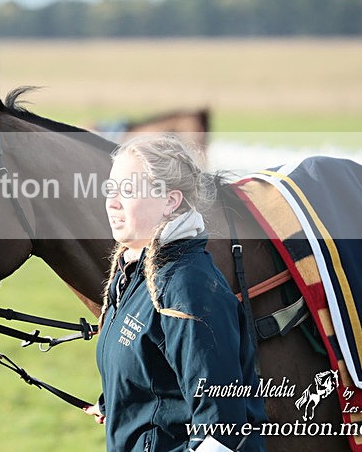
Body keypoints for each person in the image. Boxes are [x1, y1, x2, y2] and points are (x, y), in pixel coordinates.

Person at [85, 135, 267, 451]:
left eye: (128, 190)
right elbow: (155, 372)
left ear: (171, 201)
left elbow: (221, 435)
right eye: (110, 189)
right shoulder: (132, 273)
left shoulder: (189, 289)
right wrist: (117, 404)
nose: (112, 202)